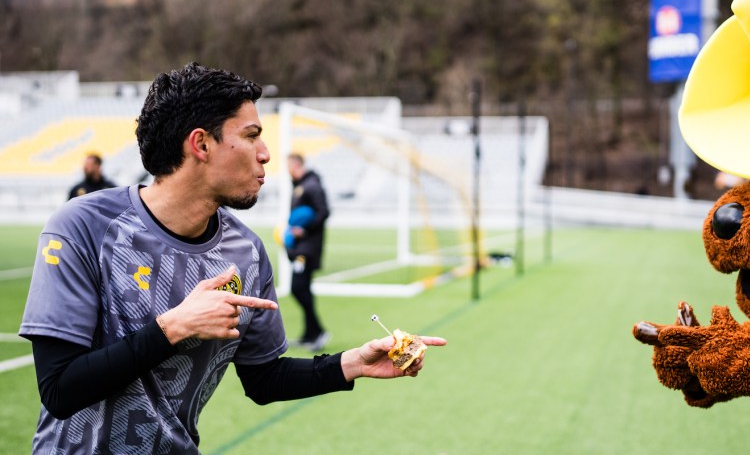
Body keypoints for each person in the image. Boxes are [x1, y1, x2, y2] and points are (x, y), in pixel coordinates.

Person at [20, 63, 445, 453]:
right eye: (252, 136)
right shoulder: (83, 227)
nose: (265, 155)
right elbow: (60, 389)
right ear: (201, 144)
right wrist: (174, 327)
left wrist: (353, 363)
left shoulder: (246, 251)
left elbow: (264, 377)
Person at [286, 152, 330, 351]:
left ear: (297, 165)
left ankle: (319, 331)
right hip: (301, 246)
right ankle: (309, 334)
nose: (287, 170)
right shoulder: (300, 185)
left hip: (307, 248)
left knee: (298, 287)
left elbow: (324, 211)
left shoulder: (311, 185)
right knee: (304, 288)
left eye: (289, 166)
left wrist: (303, 229)